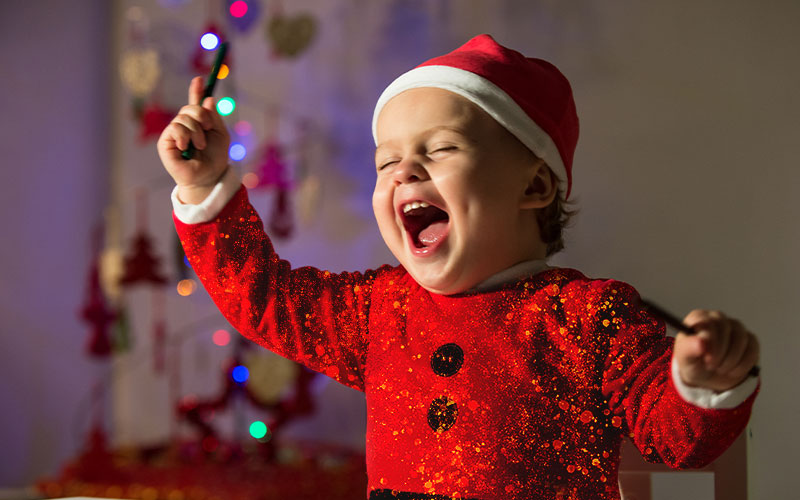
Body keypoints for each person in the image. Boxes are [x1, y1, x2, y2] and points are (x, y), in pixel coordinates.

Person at [157, 34, 760, 500]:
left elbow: (678, 439)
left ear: (535, 186)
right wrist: (209, 186)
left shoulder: (589, 318)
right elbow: (265, 299)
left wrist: (703, 383)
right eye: (385, 162)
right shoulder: (378, 310)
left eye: (439, 148)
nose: (403, 172)